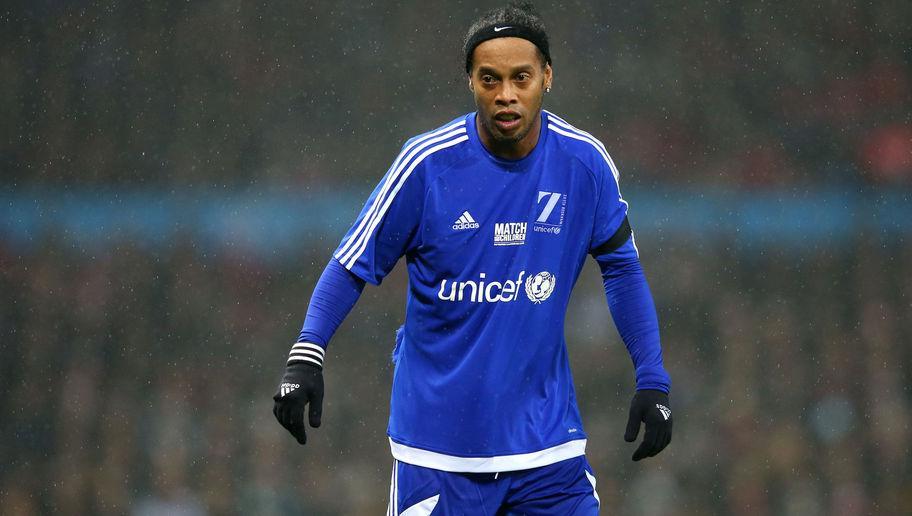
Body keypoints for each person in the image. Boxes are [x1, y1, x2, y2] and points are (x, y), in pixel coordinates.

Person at [273, 2, 673, 514]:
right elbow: (352, 264)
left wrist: (653, 379)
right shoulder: (426, 164)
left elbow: (621, 266)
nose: (506, 94)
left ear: (547, 77)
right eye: (490, 79)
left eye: (520, 78)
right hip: (437, 453)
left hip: (547, 454)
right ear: (470, 82)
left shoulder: (584, 164)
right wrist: (306, 355)